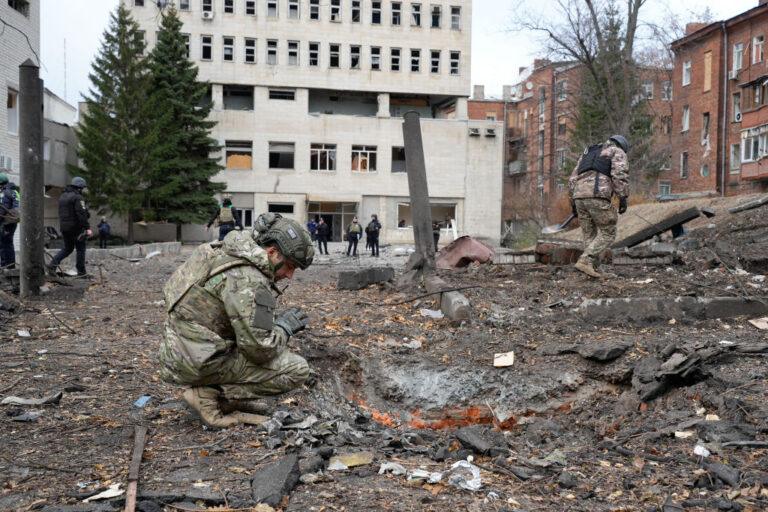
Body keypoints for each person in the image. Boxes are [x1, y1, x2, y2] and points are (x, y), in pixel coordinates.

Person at [160, 213, 315, 428]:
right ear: (272, 252)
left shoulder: (220, 250)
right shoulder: (249, 279)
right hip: (200, 360)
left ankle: (218, 393)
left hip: (177, 349)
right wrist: (283, 328)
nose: (290, 275)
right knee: (297, 370)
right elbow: (259, 349)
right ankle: (210, 395)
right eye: (289, 266)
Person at [568, 134, 630, 278]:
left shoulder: (588, 152)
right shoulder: (617, 151)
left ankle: (593, 269)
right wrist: (622, 197)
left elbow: (572, 179)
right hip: (597, 195)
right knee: (608, 232)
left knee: (589, 235)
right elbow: (619, 174)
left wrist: (573, 203)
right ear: (622, 146)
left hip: (579, 196)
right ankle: (585, 260)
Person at [48, 177, 91, 276]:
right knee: (80, 249)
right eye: (82, 188)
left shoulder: (63, 196)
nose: (83, 190)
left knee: (68, 249)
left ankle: (52, 265)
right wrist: (87, 227)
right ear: (79, 188)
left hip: (64, 228)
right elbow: (81, 214)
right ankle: (81, 273)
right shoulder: (78, 197)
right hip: (76, 228)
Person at [0, 173, 20, 269]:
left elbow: (3, 208)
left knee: (4, 244)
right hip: (12, 221)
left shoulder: (5, 192)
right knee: (8, 243)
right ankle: (10, 266)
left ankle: (6, 266)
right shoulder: (14, 191)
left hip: (6, 222)